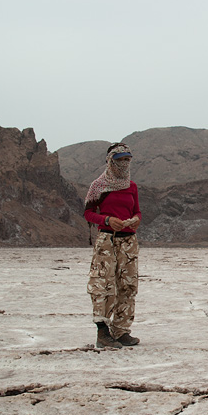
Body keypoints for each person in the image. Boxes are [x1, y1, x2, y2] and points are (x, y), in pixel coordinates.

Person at [83, 143, 142, 349]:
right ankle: (103, 332)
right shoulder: (99, 186)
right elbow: (88, 213)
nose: (124, 164)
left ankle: (121, 330)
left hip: (128, 241)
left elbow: (137, 211)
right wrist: (107, 220)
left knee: (128, 285)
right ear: (110, 161)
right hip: (107, 239)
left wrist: (135, 219)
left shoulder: (131, 186)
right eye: (120, 160)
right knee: (104, 284)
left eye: (127, 160)